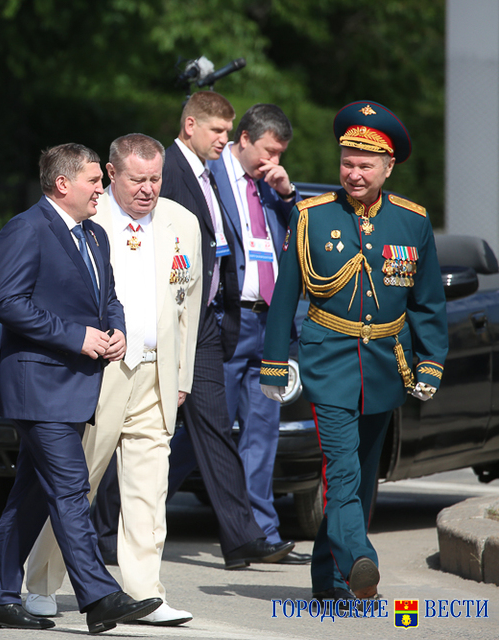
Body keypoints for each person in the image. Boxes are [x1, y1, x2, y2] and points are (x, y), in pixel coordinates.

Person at [260, 100, 448, 601]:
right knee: (340, 468)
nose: (354, 173)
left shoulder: (412, 222)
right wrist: (275, 364)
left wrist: (431, 360)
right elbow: (285, 297)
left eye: (366, 165)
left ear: (388, 167)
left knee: (363, 476)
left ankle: (330, 580)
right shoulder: (311, 216)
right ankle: (360, 558)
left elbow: (427, 302)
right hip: (329, 359)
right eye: (347, 162)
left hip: (388, 363)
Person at [0, 143, 161, 635]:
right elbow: (7, 302)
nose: (102, 188)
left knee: (33, 494)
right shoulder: (27, 228)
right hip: (38, 383)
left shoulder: (96, 235)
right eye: (94, 181)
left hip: (75, 386)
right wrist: (75, 336)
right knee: (72, 488)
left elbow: (109, 297)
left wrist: (117, 329)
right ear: (63, 185)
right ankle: (99, 596)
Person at [23, 134, 201, 626]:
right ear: (112, 173)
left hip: (157, 374)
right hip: (98, 374)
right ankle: (39, 583)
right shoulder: (87, 217)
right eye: (136, 179)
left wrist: (181, 373)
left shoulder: (182, 222)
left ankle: (146, 592)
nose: (147, 189)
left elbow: (189, 307)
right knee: (77, 486)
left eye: (155, 179)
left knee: (149, 492)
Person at [160, 90, 295, 569]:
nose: (273, 161)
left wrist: (286, 193)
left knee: (232, 431)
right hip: (206, 321)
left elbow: (295, 241)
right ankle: (107, 520)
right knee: (189, 435)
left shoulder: (257, 186)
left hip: (239, 324)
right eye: (217, 131)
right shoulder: (189, 171)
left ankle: (249, 535)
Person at [206, 104, 310, 564]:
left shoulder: (271, 189)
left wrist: (287, 194)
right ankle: (125, 517)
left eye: (281, 154)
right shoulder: (208, 174)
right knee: (201, 432)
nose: (273, 161)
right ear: (244, 138)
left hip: (269, 325)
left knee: (262, 433)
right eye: (268, 151)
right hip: (226, 322)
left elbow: (305, 236)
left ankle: (261, 532)